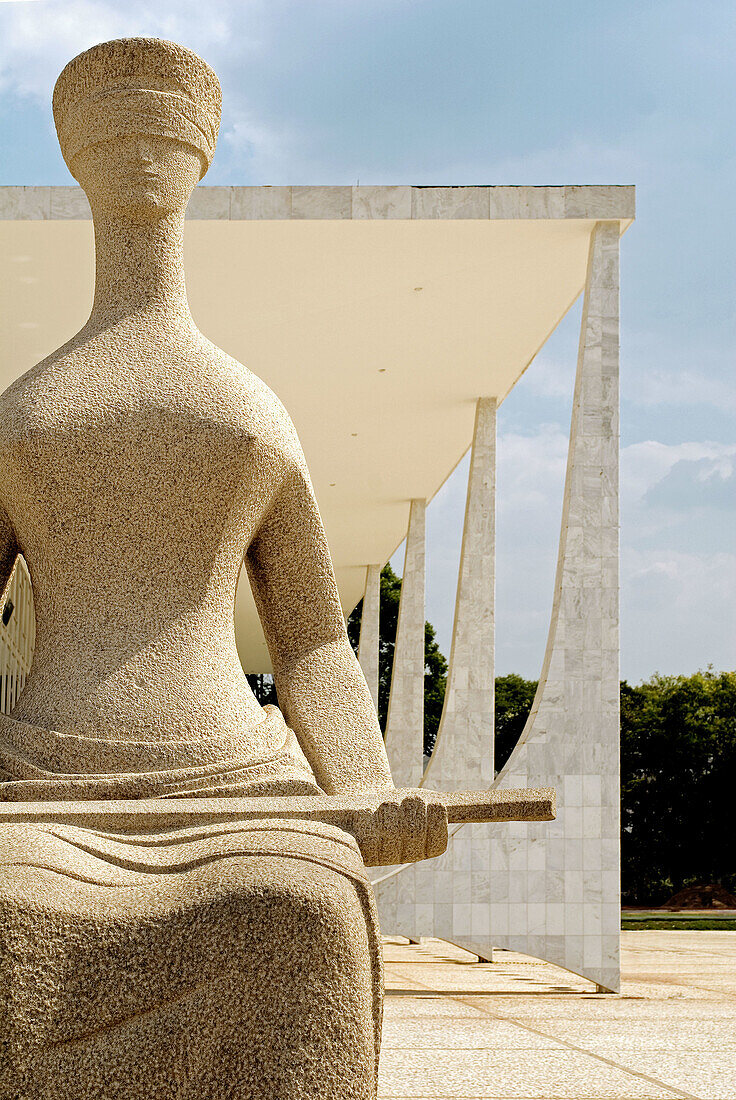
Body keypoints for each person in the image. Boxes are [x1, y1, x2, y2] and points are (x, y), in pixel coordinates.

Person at [0, 38, 445, 1099]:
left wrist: (368, 791)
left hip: (239, 784)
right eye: (116, 134)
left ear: (199, 156)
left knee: (301, 912)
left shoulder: (248, 413)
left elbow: (310, 639)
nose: (141, 156)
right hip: (45, 794)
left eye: (163, 134)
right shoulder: (25, 418)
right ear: (74, 158)